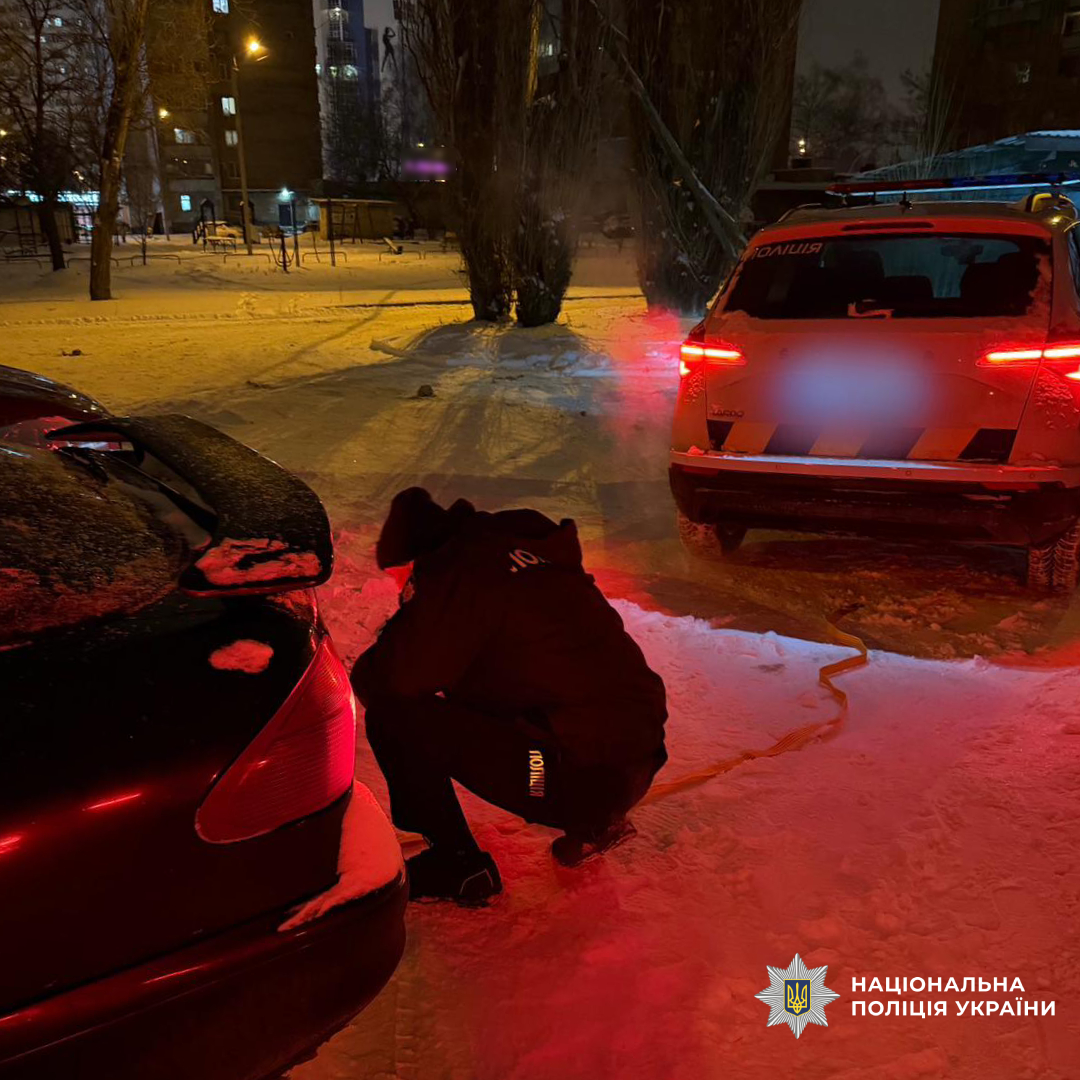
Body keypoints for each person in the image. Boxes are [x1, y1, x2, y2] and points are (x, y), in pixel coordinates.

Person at [352, 489, 668, 906]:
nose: (398, 586)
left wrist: (409, 615)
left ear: (418, 559)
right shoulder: (519, 555)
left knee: (396, 716)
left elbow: (392, 680)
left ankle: (458, 864)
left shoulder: (462, 579)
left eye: (400, 576)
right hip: (636, 758)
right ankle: (595, 820)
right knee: (518, 699)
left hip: (553, 776)